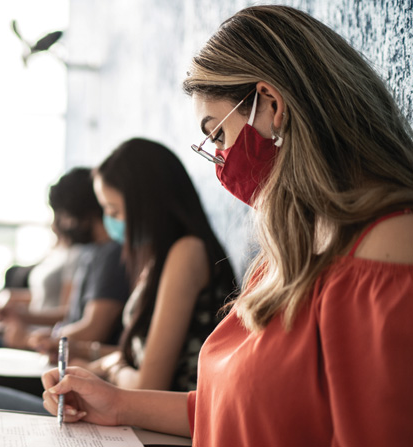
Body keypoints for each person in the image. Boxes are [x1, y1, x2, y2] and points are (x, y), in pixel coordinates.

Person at [41, 5, 413, 446]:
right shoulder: (292, 250)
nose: (220, 159)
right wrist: (117, 402)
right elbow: (225, 407)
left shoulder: (387, 247)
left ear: (272, 105)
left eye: (217, 134)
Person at [0, 167, 130, 397]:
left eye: (63, 215)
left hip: (74, 364)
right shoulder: (91, 253)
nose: (59, 223)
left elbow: (93, 329)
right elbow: (73, 317)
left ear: (80, 215)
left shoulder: (112, 256)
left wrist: (31, 340)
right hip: (62, 355)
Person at [77, 137, 236, 391]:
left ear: (148, 205)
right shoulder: (160, 256)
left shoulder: (187, 253)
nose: (109, 222)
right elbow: (141, 357)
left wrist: (112, 368)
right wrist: (89, 362)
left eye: (114, 211)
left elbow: (147, 385)